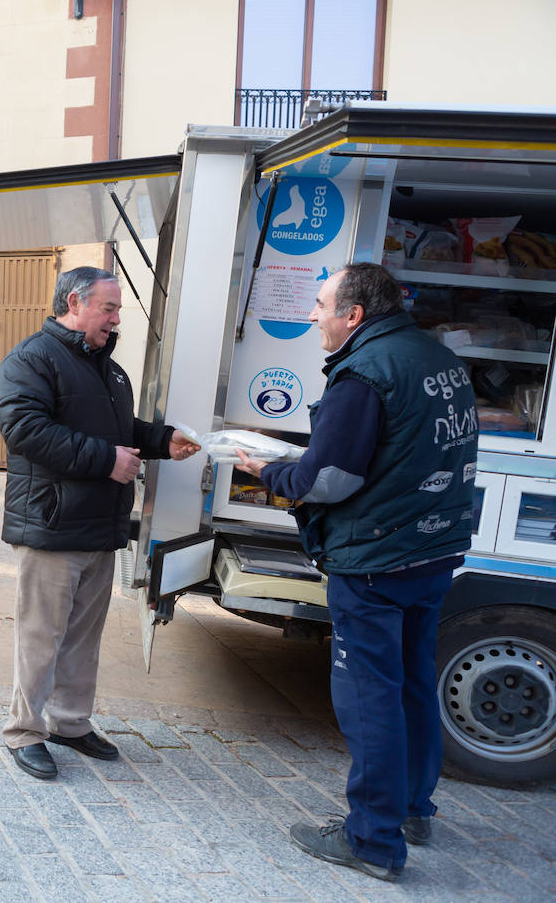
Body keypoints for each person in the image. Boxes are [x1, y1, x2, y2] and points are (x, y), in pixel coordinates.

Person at [235, 262, 477, 882]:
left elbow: (330, 480)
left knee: (370, 697)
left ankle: (372, 840)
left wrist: (269, 472)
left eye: (320, 304)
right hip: (432, 549)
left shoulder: (363, 371)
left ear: (354, 315)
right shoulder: (434, 355)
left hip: (376, 559)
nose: (313, 314)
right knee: (413, 684)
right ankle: (413, 810)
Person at [0, 266, 199, 780]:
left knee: (84, 637)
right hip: (51, 524)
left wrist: (161, 439)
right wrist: (106, 460)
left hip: (97, 525)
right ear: (73, 303)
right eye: (108, 307)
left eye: (117, 308)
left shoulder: (108, 368)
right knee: (42, 636)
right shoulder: (32, 359)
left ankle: (70, 723)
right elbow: (24, 430)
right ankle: (25, 731)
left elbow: (118, 428)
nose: (116, 317)